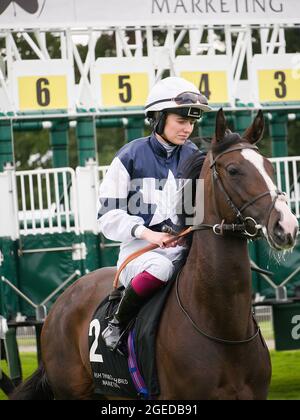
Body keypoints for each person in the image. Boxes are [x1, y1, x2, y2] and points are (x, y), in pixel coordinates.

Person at [97, 76, 212, 351]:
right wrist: (149, 234)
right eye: (181, 121)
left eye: (192, 122)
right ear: (159, 117)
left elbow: (194, 213)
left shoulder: (193, 154)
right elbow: (107, 217)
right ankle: (118, 322)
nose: (187, 129)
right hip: (140, 253)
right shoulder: (129, 155)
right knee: (160, 268)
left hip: (180, 249)